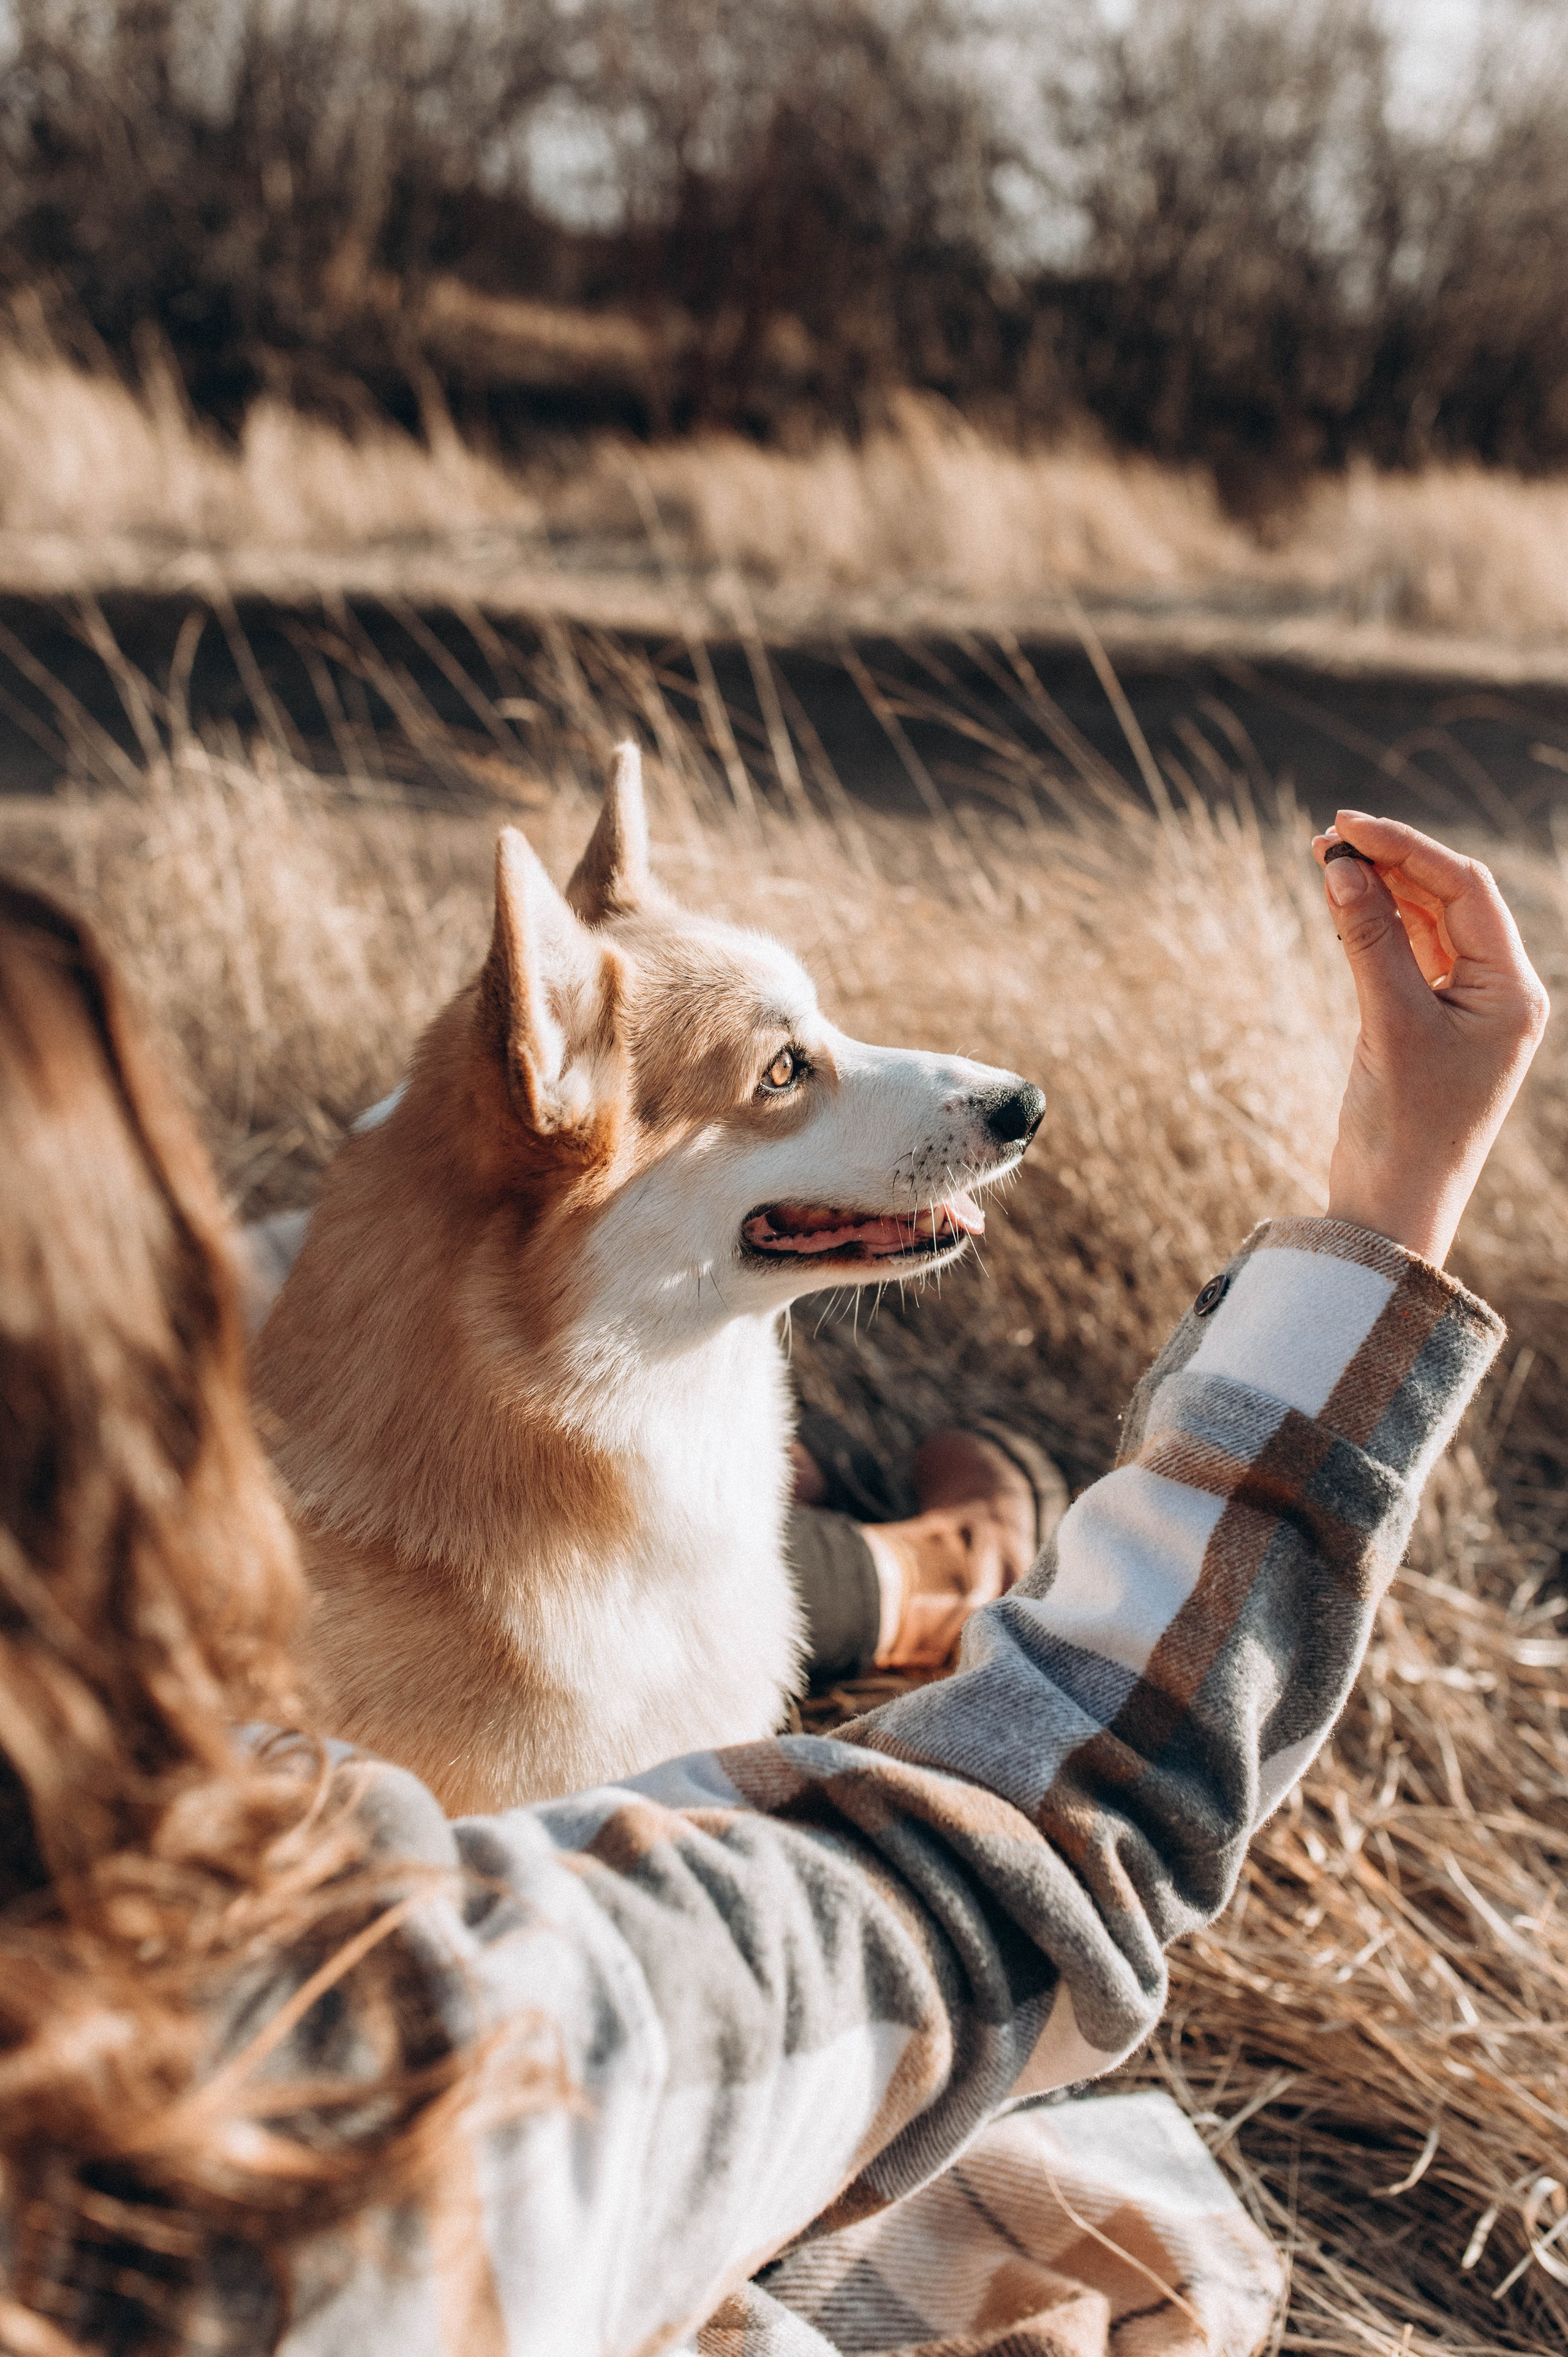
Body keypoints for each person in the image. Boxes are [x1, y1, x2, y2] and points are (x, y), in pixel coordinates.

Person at [0, 810, 1547, 2357]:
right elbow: (1040, 1845)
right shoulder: (428, 2024)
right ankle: (914, 1579)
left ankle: (893, 1575)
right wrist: (1389, 1202)